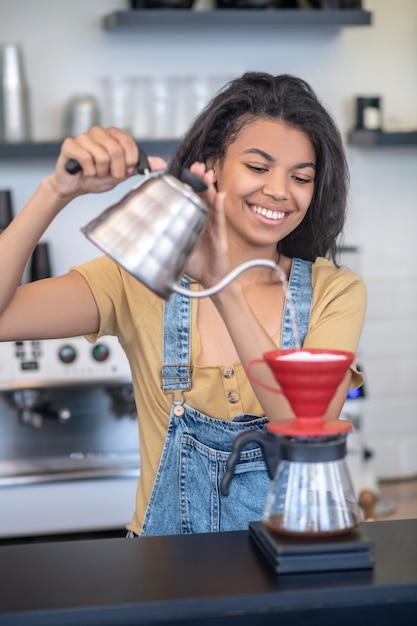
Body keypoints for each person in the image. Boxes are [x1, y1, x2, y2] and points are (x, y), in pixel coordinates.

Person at [0, 72, 366, 536]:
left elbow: (304, 425)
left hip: (292, 566)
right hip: (162, 571)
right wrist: (56, 192)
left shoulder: (335, 292)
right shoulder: (136, 280)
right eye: (258, 167)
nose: (279, 190)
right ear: (211, 165)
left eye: (301, 177)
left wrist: (221, 282)